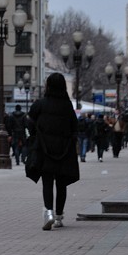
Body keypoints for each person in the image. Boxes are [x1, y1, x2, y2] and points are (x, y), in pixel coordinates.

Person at [26, 73, 79, 230]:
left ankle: (48, 213)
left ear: (48, 86)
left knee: (47, 183)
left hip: (44, 148)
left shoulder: (40, 104)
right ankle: (58, 217)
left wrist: (35, 138)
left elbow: (29, 123)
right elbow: (74, 127)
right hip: (64, 149)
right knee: (61, 184)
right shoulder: (67, 106)